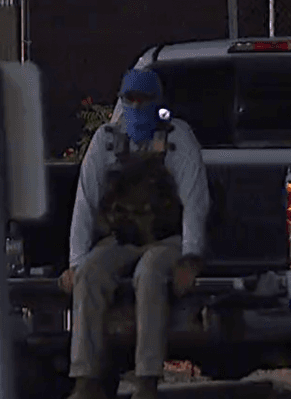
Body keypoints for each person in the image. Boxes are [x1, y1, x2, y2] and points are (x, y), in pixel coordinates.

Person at [60, 68, 210, 399]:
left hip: (166, 239)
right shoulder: (108, 139)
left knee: (151, 272)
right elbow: (85, 201)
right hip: (123, 238)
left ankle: (147, 379)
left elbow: (195, 200)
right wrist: (75, 261)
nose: (138, 105)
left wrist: (190, 258)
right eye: (131, 99)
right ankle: (86, 378)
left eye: (145, 99)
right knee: (89, 275)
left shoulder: (177, 138)